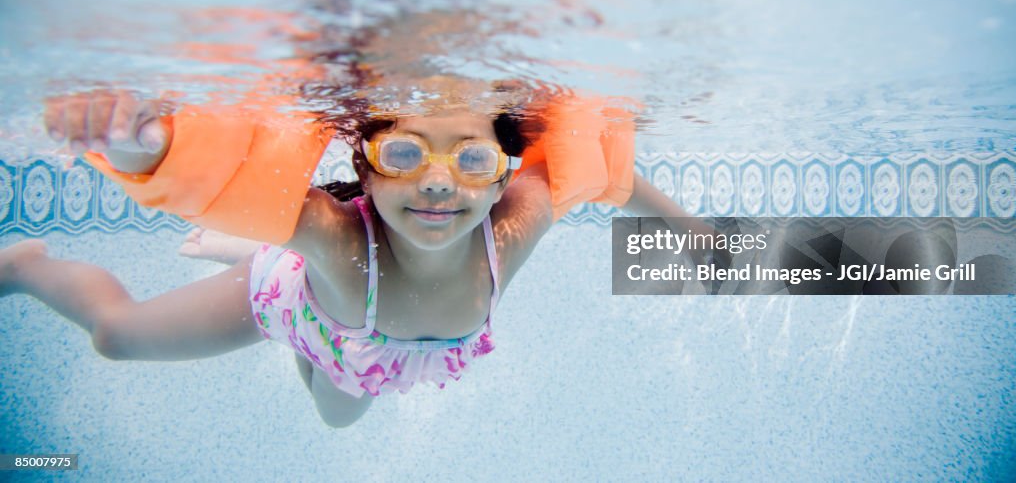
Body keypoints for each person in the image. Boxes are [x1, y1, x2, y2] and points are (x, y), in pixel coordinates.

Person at [0, 85, 697, 427]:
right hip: (293, 295)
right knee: (115, 337)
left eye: (472, 157)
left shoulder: (513, 230)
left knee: (335, 419)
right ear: (365, 173)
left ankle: (255, 261)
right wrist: (130, 138)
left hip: (354, 345)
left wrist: (694, 234)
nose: (436, 180)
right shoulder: (340, 239)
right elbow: (208, 179)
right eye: (404, 153)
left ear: (497, 182)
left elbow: (597, 178)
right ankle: (23, 266)